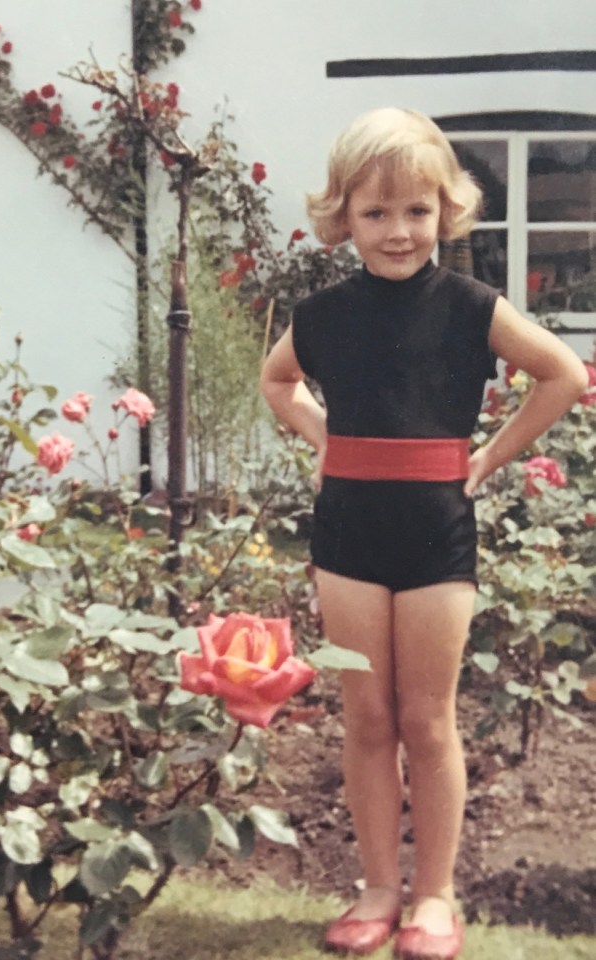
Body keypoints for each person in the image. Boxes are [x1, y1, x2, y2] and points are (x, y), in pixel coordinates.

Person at [260, 107, 588, 959]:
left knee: (428, 719)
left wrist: (490, 457)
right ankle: (376, 888)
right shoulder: (324, 312)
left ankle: (435, 896)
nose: (398, 230)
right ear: (344, 217)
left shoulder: (472, 307)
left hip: (437, 531)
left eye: (416, 211)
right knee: (365, 716)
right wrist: (328, 440)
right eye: (376, 212)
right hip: (348, 535)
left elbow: (562, 373)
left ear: (446, 209)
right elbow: (278, 380)